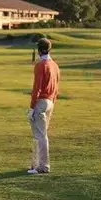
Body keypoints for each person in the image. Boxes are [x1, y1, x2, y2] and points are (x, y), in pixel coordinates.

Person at [27, 38, 60, 174]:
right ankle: (35, 164)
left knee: (40, 135)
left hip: (41, 102)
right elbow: (57, 87)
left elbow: (37, 88)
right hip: (50, 102)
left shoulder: (41, 65)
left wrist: (32, 107)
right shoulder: (55, 65)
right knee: (41, 134)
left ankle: (43, 166)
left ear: (40, 50)